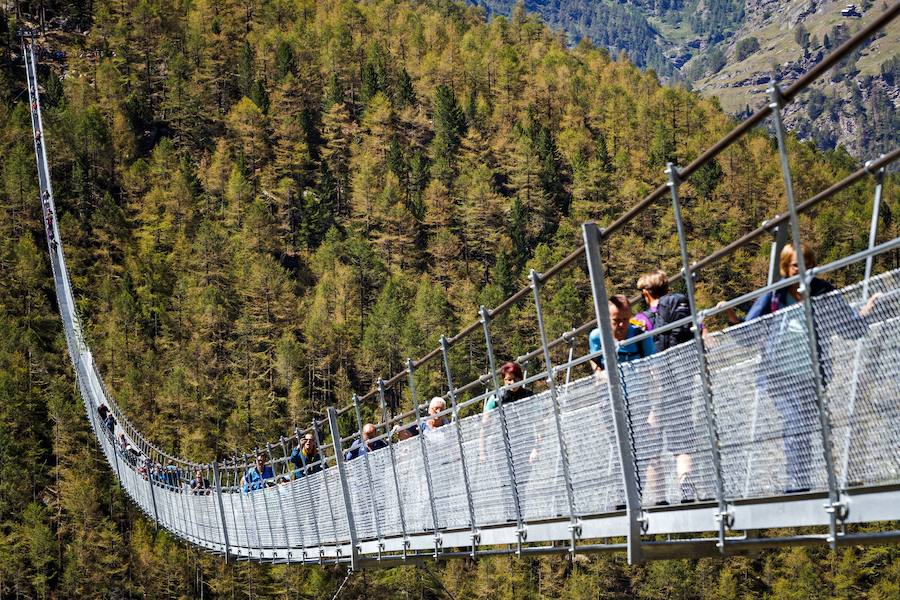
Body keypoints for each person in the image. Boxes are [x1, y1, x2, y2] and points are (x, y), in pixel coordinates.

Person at [741, 243, 878, 493]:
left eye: (807, 264)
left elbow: (849, 329)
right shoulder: (775, 295)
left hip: (812, 376)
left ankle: (802, 481)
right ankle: (797, 482)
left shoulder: (823, 291)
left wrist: (864, 314)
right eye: (796, 265)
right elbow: (747, 333)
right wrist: (732, 319)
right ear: (786, 268)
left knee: (803, 426)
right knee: (794, 422)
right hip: (778, 375)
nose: (802, 269)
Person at [588, 295, 656, 377]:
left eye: (625, 319)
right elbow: (594, 360)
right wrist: (599, 374)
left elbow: (653, 365)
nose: (622, 324)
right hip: (610, 382)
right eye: (616, 320)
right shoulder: (597, 337)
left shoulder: (641, 336)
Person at [633, 270, 694, 351]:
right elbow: (701, 328)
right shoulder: (679, 305)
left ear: (645, 293)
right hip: (691, 354)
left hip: (664, 358)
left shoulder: (642, 318)